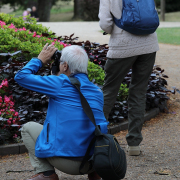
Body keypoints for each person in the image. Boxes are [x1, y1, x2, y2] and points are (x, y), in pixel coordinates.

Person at [14, 44, 108, 180]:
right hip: (96, 161)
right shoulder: (97, 91)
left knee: (28, 128)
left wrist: (39, 60)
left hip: (69, 163)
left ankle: (47, 173)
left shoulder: (60, 84)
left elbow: (21, 77)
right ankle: (94, 175)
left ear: (65, 66)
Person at [98, 0, 159, 156]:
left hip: (122, 45)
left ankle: (96, 139)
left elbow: (105, 23)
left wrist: (115, 30)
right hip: (149, 44)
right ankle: (134, 144)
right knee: (139, 92)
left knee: (109, 91)